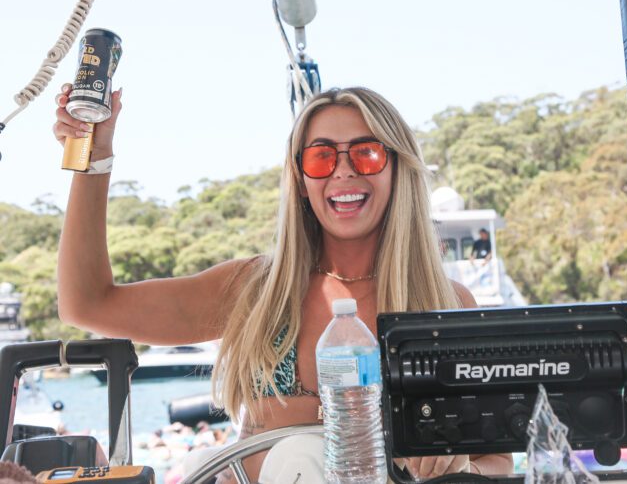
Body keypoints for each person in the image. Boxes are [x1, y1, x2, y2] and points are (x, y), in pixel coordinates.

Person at [54, 84, 513, 482]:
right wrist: (93, 157)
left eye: (367, 153)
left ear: (396, 168)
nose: (344, 171)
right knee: (289, 457)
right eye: (321, 156)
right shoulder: (254, 291)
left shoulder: (444, 304)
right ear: (299, 178)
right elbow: (88, 305)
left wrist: (458, 467)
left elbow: (498, 462)